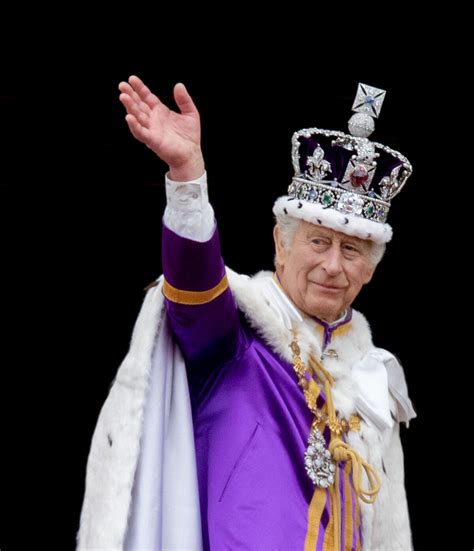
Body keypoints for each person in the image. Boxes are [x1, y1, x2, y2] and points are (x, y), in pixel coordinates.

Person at [78, 78, 416, 550]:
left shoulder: (373, 379)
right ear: (281, 243)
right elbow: (194, 283)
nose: (333, 265)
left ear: (370, 271)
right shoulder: (238, 334)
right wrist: (188, 178)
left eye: (352, 250)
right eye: (318, 242)